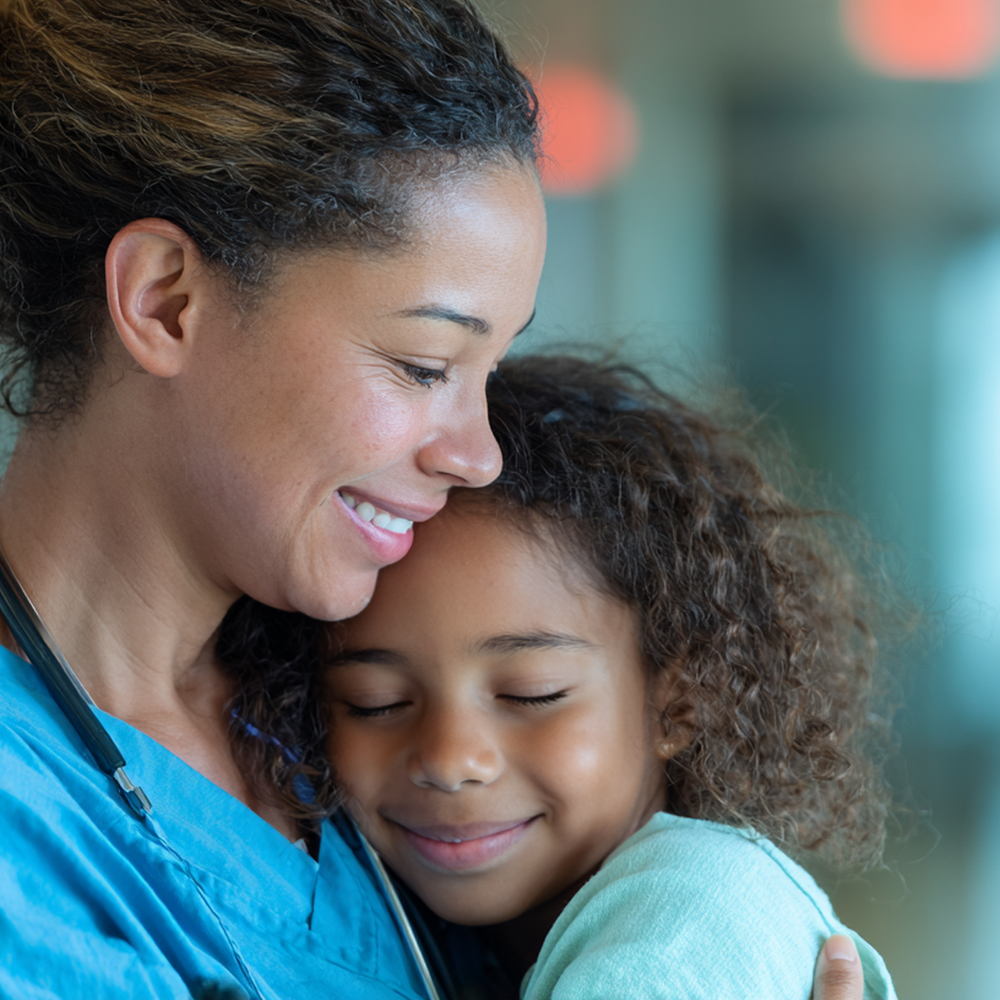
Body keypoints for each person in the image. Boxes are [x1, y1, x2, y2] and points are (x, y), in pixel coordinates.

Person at [0, 1, 866, 998]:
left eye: (490, 370)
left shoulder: (326, 704)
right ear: (165, 301)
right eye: (422, 364)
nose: (480, 455)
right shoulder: (29, 830)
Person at [326, 354, 898, 999]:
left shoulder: (690, 922)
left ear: (679, 702)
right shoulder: (471, 940)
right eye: (373, 702)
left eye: (531, 694)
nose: (450, 759)